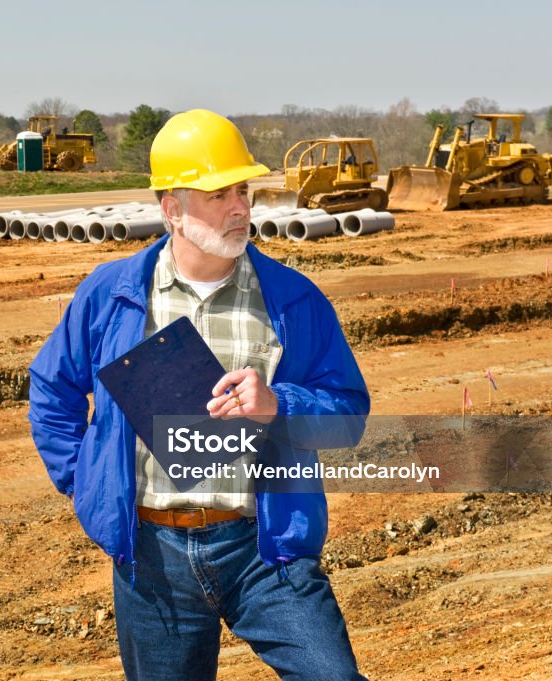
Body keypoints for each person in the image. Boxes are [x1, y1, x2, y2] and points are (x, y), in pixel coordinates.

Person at [28, 109, 370, 680]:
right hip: (152, 559)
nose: (241, 206)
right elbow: (52, 392)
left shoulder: (293, 299)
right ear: (172, 209)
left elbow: (348, 417)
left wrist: (280, 405)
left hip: (265, 550)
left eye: (243, 190)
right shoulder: (110, 296)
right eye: (219, 194)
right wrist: (86, 480)